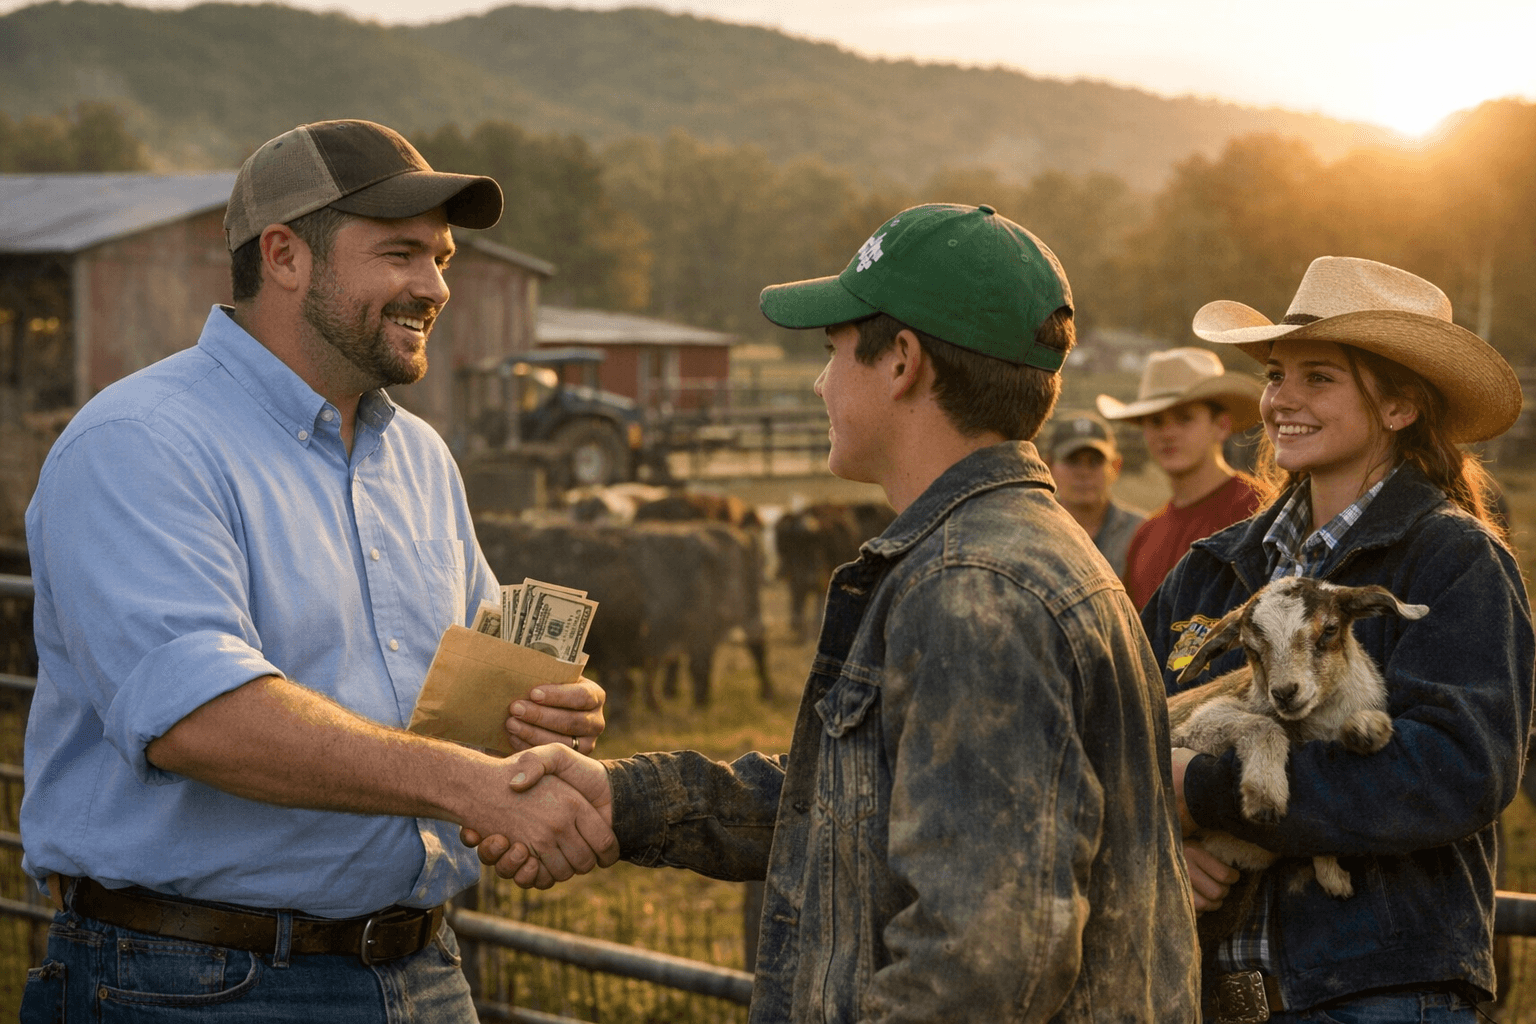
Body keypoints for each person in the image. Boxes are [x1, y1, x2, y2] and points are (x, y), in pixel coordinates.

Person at [469, 203, 1201, 1021]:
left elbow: (985, 964)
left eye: (832, 352)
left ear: (902, 364)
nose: (821, 382)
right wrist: (626, 800)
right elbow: (867, 801)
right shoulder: (1024, 553)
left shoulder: (973, 588)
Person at [19, 119, 617, 1023]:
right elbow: (198, 719)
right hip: (189, 983)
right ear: (286, 255)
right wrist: (472, 786)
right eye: (402, 254)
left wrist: (536, 732)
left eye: (443, 259)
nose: (435, 286)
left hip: (421, 968)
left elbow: (467, 695)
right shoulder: (140, 442)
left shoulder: (417, 457)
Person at [1144, 256, 1534, 1022]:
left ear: (1398, 408)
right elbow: (1118, 735)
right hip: (1198, 993)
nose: (1280, 399)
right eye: (1276, 374)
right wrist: (1161, 847)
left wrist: (1208, 796)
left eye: (1317, 378)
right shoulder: (1211, 571)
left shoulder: (1453, 561)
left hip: (1377, 995)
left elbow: (1455, 771)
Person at [1097, 346, 1264, 608]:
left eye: (1184, 418)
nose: (1168, 433)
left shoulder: (1258, 509)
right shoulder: (1145, 537)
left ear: (1221, 425)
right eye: (1155, 421)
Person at [1041, 409, 1146, 576]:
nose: (1083, 473)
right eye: (1072, 461)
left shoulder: (1142, 534)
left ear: (1115, 466)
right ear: (1049, 466)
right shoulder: (1037, 532)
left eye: (1095, 462)